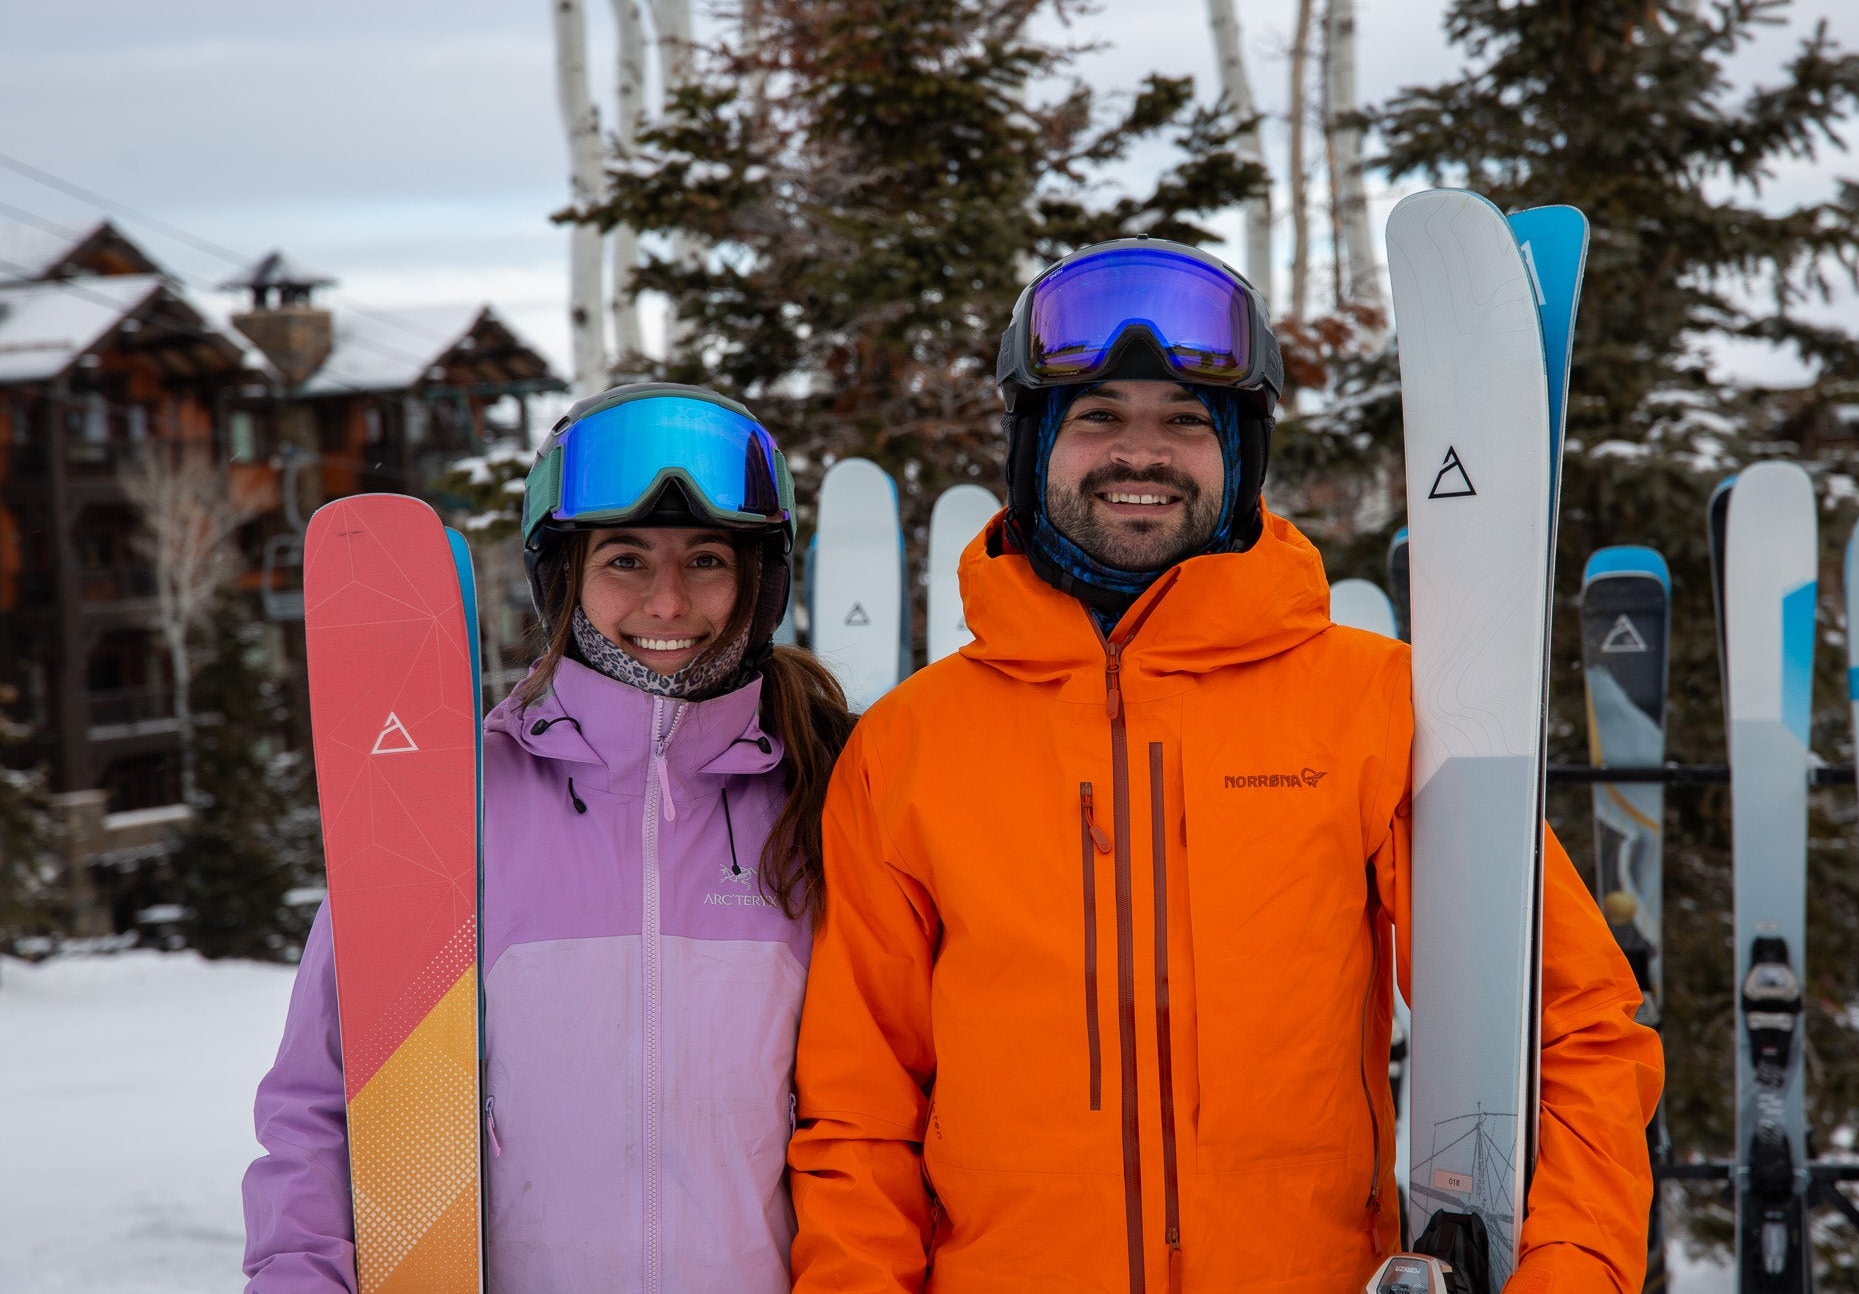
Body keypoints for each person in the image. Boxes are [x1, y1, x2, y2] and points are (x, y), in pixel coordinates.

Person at [788, 240, 1663, 1292]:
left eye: (1185, 421)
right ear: (1033, 446)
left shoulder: (1374, 707)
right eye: (1098, 416)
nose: (1140, 454)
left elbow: (1570, 1030)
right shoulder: (910, 746)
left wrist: (1567, 1270)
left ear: (1239, 452)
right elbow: (857, 1115)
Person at [243, 384, 856, 1292]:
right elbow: (325, 1103)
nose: (669, 599)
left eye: (707, 558)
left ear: (760, 580)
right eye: (623, 559)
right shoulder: (453, 801)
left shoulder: (823, 799)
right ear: (562, 575)